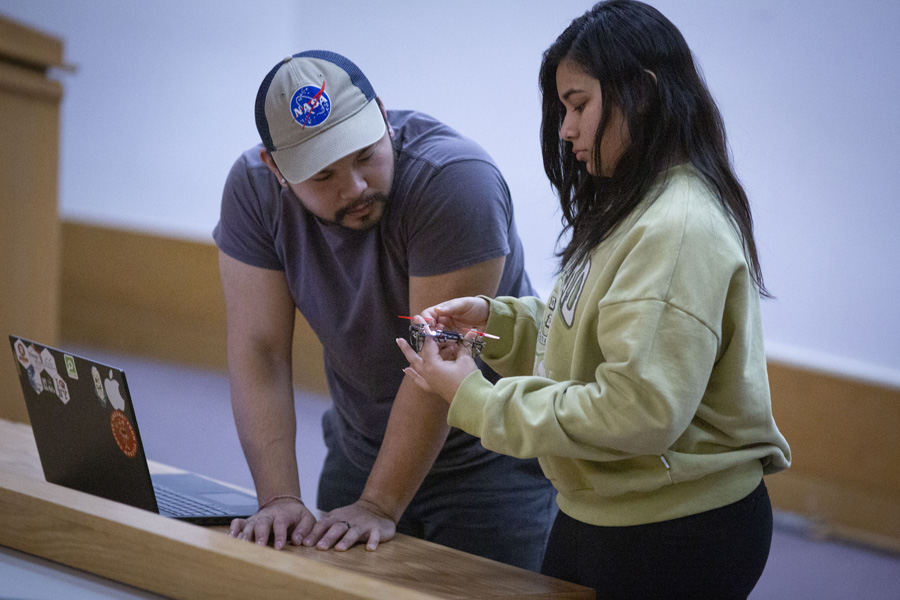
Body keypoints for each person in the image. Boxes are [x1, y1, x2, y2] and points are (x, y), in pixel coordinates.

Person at [397, 1, 792, 597]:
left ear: (642, 93)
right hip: (606, 509)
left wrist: (476, 399)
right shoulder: (635, 203)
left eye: (578, 105)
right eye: (563, 109)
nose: (566, 129)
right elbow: (579, 324)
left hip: (677, 528)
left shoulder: (676, 225)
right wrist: (497, 322)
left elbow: (637, 411)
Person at [213, 50, 556, 570]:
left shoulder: (456, 181)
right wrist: (278, 499)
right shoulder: (253, 193)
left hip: (490, 465)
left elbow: (436, 360)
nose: (354, 188)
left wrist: (379, 504)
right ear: (276, 169)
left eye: (364, 155)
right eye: (323, 176)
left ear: (381, 113)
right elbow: (260, 352)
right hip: (361, 447)